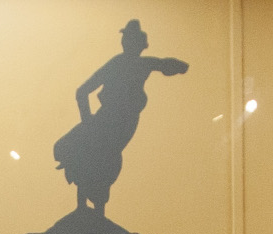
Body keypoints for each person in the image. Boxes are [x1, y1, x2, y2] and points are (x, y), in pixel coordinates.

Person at [54, 20, 189, 211]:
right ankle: (84, 206)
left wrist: (179, 66)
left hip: (122, 124)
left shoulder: (143, 64)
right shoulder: (119, 64)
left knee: (104, 159)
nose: (128, 43)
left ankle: (95, 208)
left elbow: (164, 64)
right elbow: (82, 91)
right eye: (127, 39)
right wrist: (88, 121)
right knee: (87, 152)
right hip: (106, 120)